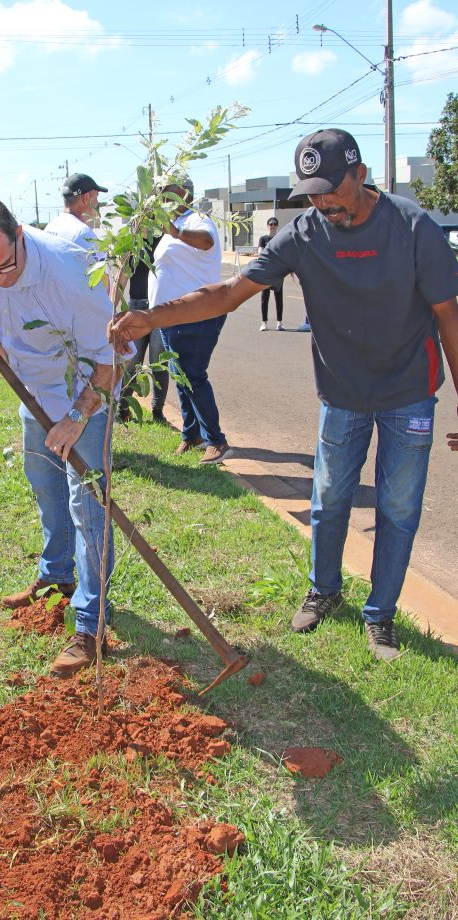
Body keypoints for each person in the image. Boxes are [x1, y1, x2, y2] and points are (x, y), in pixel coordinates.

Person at [110, 129, 458, 661]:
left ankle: (380, 614)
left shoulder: (413, 228)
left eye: (331, 189)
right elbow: (227, 294)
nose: (322, 202)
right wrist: (150, 319)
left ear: (360, 174)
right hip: (341, 394)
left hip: (407, 392)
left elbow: (447, 315)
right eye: (311, 193)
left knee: (397, 505)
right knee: (329, 499)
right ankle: (324, 590)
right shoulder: (303, 235)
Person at [0, 197, 125, 677]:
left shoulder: (71, 274)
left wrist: (76, 416)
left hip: (86, 387)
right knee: (45, 486)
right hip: (31, 388)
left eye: (4, 268)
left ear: (20, 234)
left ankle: (90, 626)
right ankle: (56, 573)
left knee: (87, 507)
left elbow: (110, 361)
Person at [151, 175, 229, 464]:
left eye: (165, 191)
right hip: (175, 317)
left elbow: (207, 241)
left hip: (197, 314)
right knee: (180, 375)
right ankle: (191, 434)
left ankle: (216, 441)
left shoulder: (196, 219)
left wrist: (175, 232)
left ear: (182, 192)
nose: (159, 196)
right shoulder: (178, 224)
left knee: (192, 375)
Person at [117, 236, 169, 424]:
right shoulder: (131, 242)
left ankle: (158, 411)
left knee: (159, 363)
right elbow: (121, 279)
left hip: (160, 307)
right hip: (136, 307)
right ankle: (122, 408)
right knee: (132, 361)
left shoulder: (166, 241)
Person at [45, 172, 107, 257]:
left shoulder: (50, 227)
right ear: (86, 198)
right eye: (96, 197)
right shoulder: (83, 234)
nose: (98, 202)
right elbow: (103, 270)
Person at [257, 217, 284, 331]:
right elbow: (260, 251)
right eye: (270, 224)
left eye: (274, 224)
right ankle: (264, 323)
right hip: (267, 271)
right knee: (265, 297)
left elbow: (283, 253)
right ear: (267, 225)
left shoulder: (280, 238)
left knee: (279, 297)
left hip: (278, 271)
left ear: (277, 226)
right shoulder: (263, 238)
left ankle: (279, 323)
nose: (272, 226)